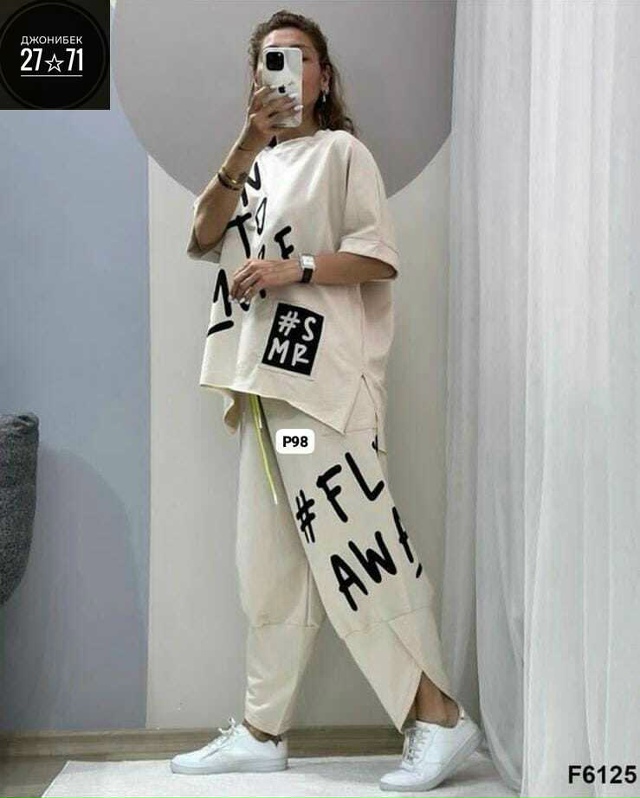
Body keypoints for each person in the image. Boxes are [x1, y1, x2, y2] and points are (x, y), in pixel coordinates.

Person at [170, 9, 483, 792]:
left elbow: (378, 257)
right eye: (270, 59)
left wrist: (296, 268)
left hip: (322, 395)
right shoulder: (250, 164)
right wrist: (245, 143)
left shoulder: (344, 154)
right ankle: (262, 729)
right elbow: (202, 234)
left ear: (324, 76)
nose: (286, 69)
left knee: (357, 543)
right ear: (255, 79)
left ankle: (439, 715)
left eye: (300, 57)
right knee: (269, 566)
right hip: (265, 393)